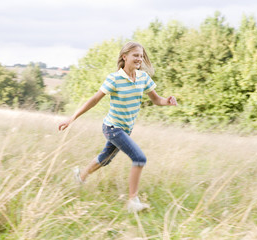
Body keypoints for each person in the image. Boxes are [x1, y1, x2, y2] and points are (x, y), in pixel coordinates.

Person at [58, 41, 178, 213]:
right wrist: (72, 118)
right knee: (139, 159)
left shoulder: (143, 78)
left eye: (141, 55)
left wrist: (167, 101)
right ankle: (132, 201)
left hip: (126, 129)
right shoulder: (114, 78)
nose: (139, 58)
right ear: (125, 57)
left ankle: (81, 175)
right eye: (135, 55)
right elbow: (94, 100)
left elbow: (156, 100)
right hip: (112, 127)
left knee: (105, 159)